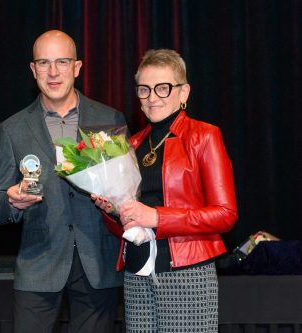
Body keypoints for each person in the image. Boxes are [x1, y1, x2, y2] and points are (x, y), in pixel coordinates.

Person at [92, 49, 238, 332]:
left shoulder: (204, 136)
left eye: (163, 88)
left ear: (184, 93)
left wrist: (158, 218)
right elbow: (125, 225)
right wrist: (111, 211)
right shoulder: (130, 145)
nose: (152, 97)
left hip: (186, 272)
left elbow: (226, 214)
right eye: (144, 89)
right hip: (136, 273)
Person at [0, 30, 126, 332]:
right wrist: (13, 201)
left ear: (77, 67)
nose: (53, 72)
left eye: (62, 62)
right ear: (33, 69)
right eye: (44, 63)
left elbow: (127, 194)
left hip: (97, 263)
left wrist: (114, 204)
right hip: (38, 265)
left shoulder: (109, 119)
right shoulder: (12, 129)